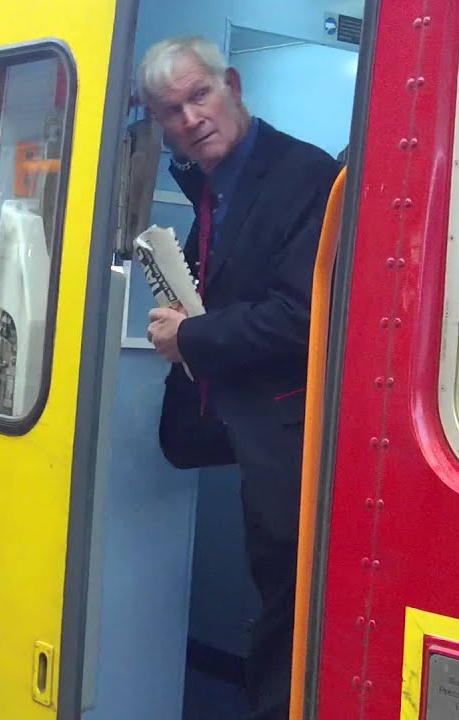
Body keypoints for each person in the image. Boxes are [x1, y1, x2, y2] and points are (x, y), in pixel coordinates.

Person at [136, 36, 341, 720]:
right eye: (172, 111)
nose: (190, 118)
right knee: (267, 599)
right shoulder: (209, 183)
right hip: (243, 434)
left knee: (289, 615)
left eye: (199, 96)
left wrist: (189, 335)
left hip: (290, 440)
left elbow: (301, 317)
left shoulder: (301, 175)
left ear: (233, 85)